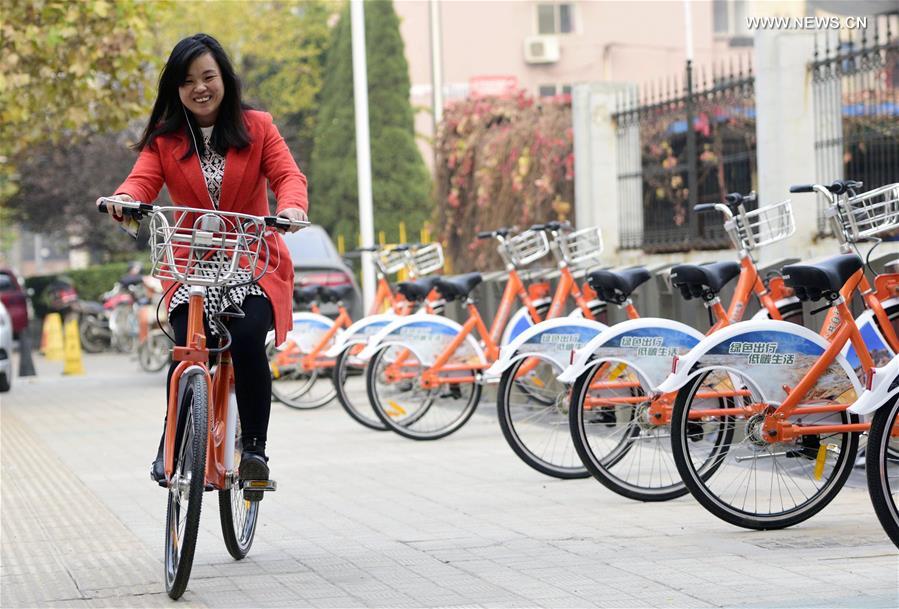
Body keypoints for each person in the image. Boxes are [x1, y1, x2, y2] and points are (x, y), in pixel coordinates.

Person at [98, 33, 308, 495]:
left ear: (224, 80)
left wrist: (290, 208)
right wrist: (126, 200)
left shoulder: (258, 126)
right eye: (188, 80)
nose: (200, 88)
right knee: (188, 345)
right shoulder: (164, 141)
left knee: (247, 337)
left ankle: (253, 449)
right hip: (192, 266)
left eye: (208, 77)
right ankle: (173, 438)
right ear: (176, 88)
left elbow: (288, 175)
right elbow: (141, 182)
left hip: (252, 261)